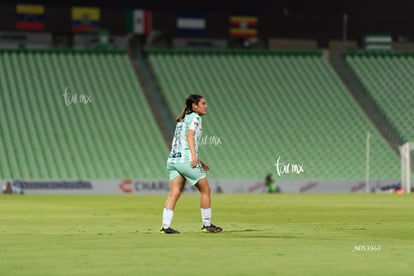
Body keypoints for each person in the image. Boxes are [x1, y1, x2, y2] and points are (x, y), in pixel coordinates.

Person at [160, 94, 223, 234]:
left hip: (173, 160)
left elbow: (182, 142)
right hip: (186, 160)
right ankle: (207, 224)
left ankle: (165, 226)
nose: (206, 106)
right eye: (203, 103)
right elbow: (189, 136)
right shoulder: (195, 117)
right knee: (206, 190)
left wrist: (199, 159)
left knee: (174, 193)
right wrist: (194, 157)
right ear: (195, 106)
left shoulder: (182, 120)